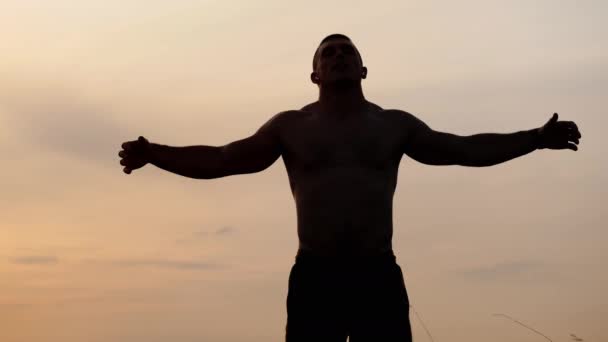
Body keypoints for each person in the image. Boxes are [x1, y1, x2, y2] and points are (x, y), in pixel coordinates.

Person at [118, 34, 582, 341]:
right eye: (329, 52)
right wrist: (154, 152)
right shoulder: (290, 126)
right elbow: (222, 158)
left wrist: (535, 139)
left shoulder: (393, 125)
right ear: (315, 74)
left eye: (348, 52)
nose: (339, 55)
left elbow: (461, 148)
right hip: (314, 279)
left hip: (376, 277)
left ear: (363, 70)